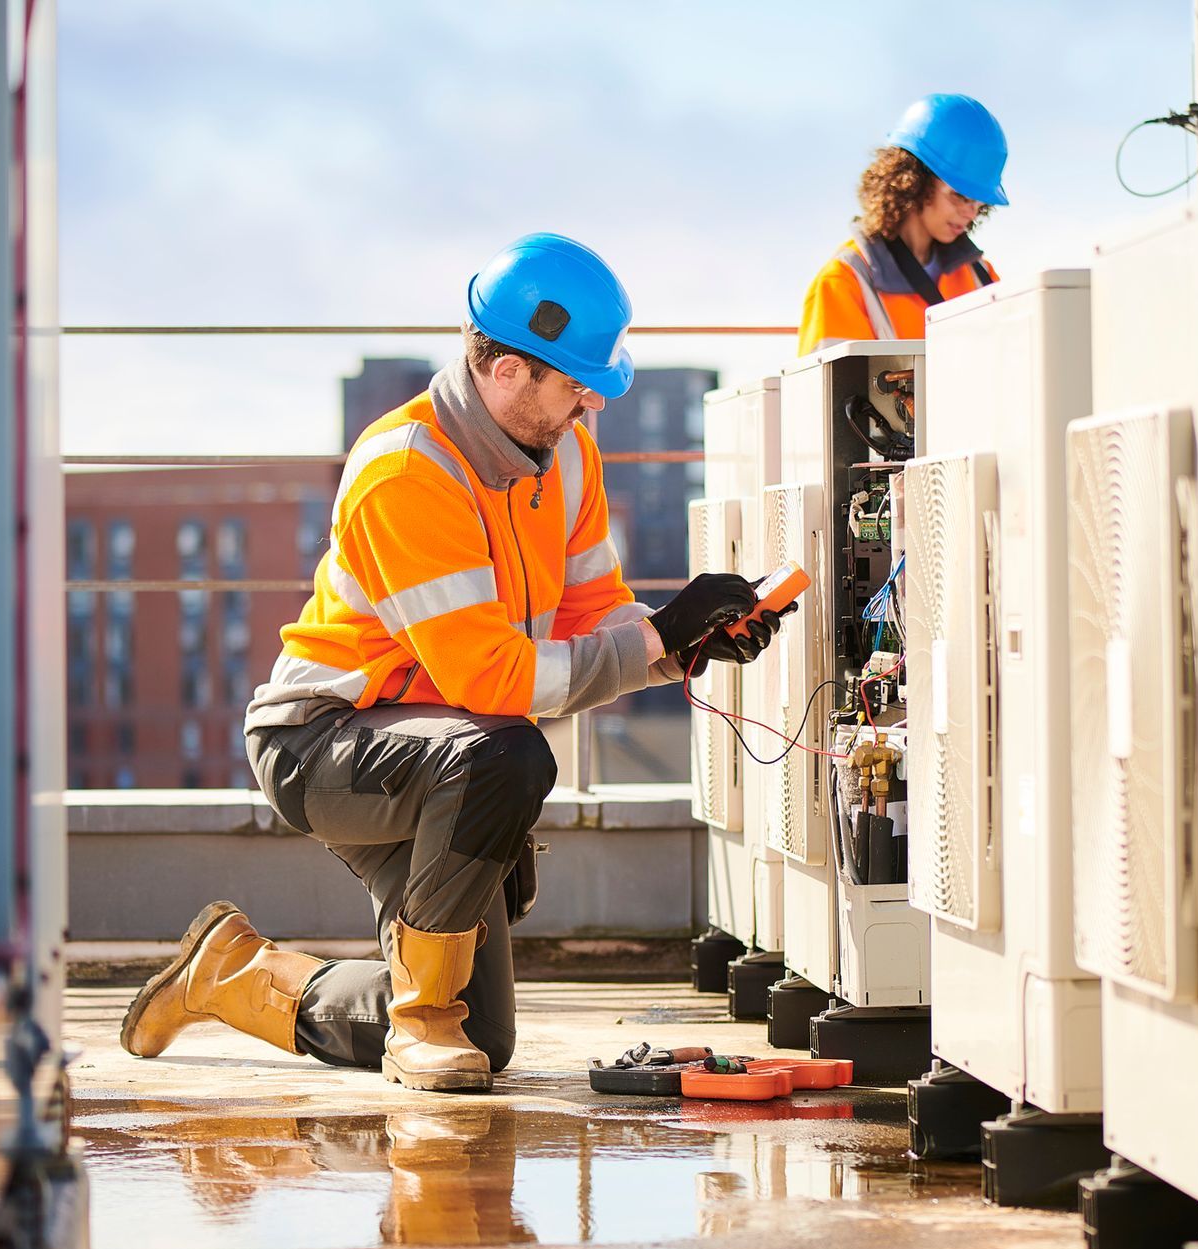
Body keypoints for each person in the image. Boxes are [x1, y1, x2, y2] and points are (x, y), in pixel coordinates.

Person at [118, 233, 791, 1091]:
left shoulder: (568, 458)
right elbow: (491, 679)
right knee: (509, 755)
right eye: (575, 384)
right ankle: (419, 1020)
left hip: (445, 750)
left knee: (489, 1039)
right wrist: (656, 640)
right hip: (325, 743)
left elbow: (593, 617)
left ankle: (235, 976)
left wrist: (682, 644)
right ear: (508, 370)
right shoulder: (406, 473)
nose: (591, 404)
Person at [797, 93, 1009, 355]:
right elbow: (830, 393)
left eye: (979, 202)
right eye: (960, 196)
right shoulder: (843, 282)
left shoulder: (980, 276)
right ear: (912, 179)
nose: (971, 213)